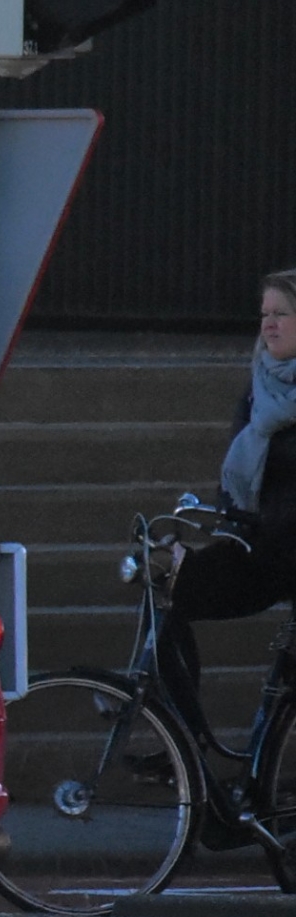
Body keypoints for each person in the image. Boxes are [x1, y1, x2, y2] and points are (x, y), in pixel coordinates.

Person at [160, 270, 296, 751]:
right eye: (264, 315)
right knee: (171, 595)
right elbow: (237, 470)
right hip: (263, 548)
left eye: (282, 314)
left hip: (288, 547)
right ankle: (182, 744)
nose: (269, 325)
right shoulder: (260, 385)